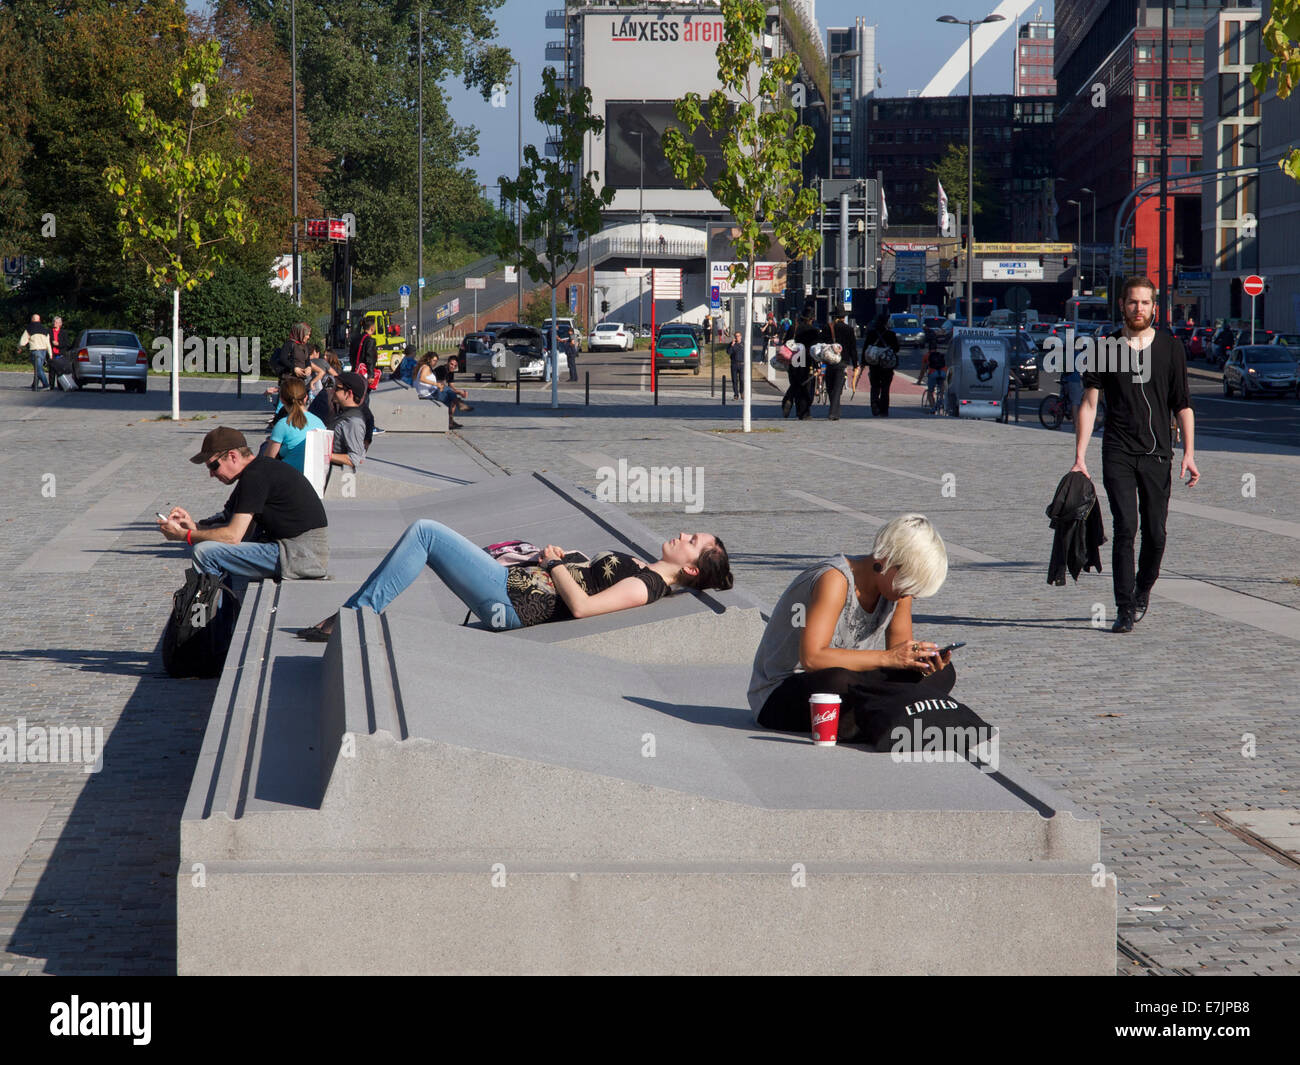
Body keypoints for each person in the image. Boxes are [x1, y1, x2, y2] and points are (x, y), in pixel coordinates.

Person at [749, 515, 990, 750]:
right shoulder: (835, 579)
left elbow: (899, 658)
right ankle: (882, 714)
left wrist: (920, 661)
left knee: (942, 674)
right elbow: (813, 658)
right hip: (784, 695)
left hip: (855, 687)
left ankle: (866, 718)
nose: (911, 595)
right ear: (886, 561)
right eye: (908, 584)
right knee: (838, 679)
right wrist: (889, 658)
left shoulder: (898, 592)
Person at [296, 527, 734, 641]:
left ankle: (352, 617)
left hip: (513, 600)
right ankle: (353, 614)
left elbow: (582, 607)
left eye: (691, 542)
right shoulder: (648, 567)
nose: (683, 535)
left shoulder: (647, 586)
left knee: (426, 533)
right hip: (514, 584)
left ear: (692, 569)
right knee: (428, 537)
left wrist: (554, 563)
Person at [1071, 276, 1198, 634]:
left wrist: (1188, 453)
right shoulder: (1106, 348)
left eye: (1145, 303)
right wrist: (1080, 456)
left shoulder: (1171, 349)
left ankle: (1143, 589)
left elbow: (1182, 405)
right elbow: (1090, 403)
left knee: (1156, 533)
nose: (1138, 309)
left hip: (1158, 453)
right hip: (1118, 451)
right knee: (1126, 527)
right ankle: (1124, 607)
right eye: (1132, 303)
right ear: (1122, 306)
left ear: (1154, 308)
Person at [157, 426, 329, 584]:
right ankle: (223, 613)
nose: (211, 474)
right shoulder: (257, 471)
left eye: (213, 466)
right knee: (219, 552)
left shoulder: (256, 476)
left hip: (299, 553)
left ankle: (206, 615)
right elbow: (240, 531)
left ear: (232, 456)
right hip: (297, 551)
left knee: (204, 553)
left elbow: (233, 536)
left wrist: (185, 535)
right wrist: (194, 527)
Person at [261, 375, 327, 473]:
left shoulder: (282, 424)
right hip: (313, 477)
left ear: (282, 400)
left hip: (289, 478)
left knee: (264, 447)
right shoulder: (319, 422)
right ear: (306, 398)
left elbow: (268, 460)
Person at [327, 372, 370, 480]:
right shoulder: (345, 414)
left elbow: (354, 458)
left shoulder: (353, 421)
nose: (333, 390)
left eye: (337, 388)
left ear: (349, 393)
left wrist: (323, 454)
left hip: (338, 480)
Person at [781, 311, 821, 420]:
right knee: (806, 387)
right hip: (807, 360)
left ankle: (788, 399)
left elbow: (785, 343)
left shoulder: (794, 328)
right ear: (812, 319)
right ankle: (803, 412)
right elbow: (816, 349)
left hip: (794, 359)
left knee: (795, 383)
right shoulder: (814, 331)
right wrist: (818, 365)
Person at [861, 311, 901, 416]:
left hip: (874, 365)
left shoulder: (871, 334)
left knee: (874, 386)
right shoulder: (891, 334)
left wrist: (863, 362)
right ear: (886, 323)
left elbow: (866, 348)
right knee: (885, 388)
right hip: (887, 366)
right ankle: (884, 410)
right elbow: (896, 349)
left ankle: (874, 405)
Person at [824, 308, 858, 421]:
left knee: (830, 386)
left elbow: (821, 345)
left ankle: (835, 411)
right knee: (837, 387)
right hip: (842, 361)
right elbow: (853, 348)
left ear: (834, 316)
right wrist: (855, 364)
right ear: (844, 317)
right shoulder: (849, 329)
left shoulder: (827, 328)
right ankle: (834, 412)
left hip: (829, 361)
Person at [19, 315, 52, 391]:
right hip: (43, 351)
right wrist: (50, 354)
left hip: (35, 351)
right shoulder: (45, 329)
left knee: (38, 369)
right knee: (38, 368)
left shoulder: (29, 328)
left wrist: (20, 347)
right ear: (39, 320)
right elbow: (48, 343)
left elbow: (22, 341)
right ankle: (35, 385)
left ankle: (46, 385)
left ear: (32, 319)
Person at [916, 343, 948, 412]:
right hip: (943, 373)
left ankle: (933, 408)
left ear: (928, 349)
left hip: (933, 373)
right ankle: (941, 398)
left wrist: (919, 380)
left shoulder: (926, 356)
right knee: (941, 384)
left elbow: (923, 369)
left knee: (930, 392)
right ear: (936, 349)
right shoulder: (940, 355)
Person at [727, 330, 746, 400]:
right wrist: (732, 345)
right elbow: (729, 353)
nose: (737, 337)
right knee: (734, 380)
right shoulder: (732, 344)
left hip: (742, 364)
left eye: (738, 336)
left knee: (742, 380)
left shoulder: (744, 344)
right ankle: (736, 394)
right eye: (736, 336)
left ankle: (742, 392)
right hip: (734, 364)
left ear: (741, 337)